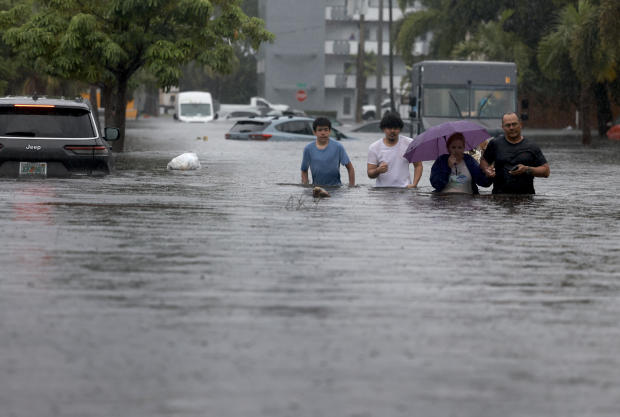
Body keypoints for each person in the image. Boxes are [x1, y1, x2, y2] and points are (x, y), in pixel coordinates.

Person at [480, 112, 550, 194]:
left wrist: (527, 169)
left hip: (526, 199)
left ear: (520, 124)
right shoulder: (495, 144)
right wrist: (487, 170)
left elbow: (546, 171)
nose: (511, 128)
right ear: (503, 127)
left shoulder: (532, 146)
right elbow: (484, 160)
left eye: (514, 124)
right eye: (508, 125)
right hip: (499, 198)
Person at [367, 112, 422, 188]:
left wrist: (414, 184)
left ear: (400, 129)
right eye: (389, 128)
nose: (392, 131)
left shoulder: (409, 143)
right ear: (383, 129)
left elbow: (418, 165)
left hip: (404, 191)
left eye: (396, 128)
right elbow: (370, 173)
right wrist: (378, 170)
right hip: (381, 192)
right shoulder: (374, 147)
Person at [301, 117, 355, 186]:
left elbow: (350, 168)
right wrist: (306, 187)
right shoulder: (308, 149)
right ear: (314, 132)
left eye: (326, 130)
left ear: (330, 131)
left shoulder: (338, 147)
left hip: (336, 189)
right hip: (317, 188)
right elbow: (304, 170)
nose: (323, 133)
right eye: (320, 130)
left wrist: (351, 187)